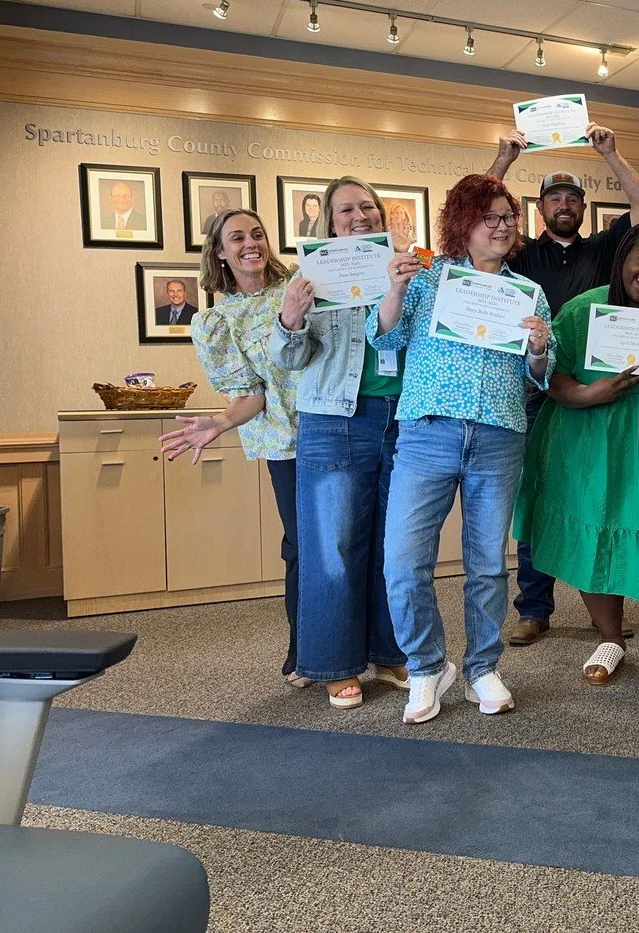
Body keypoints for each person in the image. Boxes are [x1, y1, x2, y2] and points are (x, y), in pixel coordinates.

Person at [368, 173, 554, 724]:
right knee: (403, 562)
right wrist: (395, 289)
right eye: (489, 217)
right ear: (463, 223)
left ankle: (482, 669)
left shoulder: (528, 292)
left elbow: (539, 375)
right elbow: (384, 337)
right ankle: (426, 666)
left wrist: (539, 347)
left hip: (498, 436)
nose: (502, 226)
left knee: (487, 566)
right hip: (427, 433)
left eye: (508, 217)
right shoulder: (429, 277)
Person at [514, 222, 639, 698]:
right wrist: (591, 393)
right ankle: (610, 639)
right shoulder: (583, 310)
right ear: (623, 258)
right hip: (593, 441)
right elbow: (552, 378)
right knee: (596, 534)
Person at [485, 123, 639, 647]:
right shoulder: (520, 252)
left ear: (584, 207)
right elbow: (474, 215)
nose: (564, 204)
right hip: (532, 387)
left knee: (599, 496)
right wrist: (504, 160)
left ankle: (603, 609)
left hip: (599, 391)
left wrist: (611, 153)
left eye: (572, 197)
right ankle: (534, 608)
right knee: (537, 495)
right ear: (539, 208)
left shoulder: (606, 249)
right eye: (554, 197)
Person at [268, 176, 409, 710]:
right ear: (329, 221)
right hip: (333, 419)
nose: (359, 216)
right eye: (346, 209)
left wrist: (402, 283)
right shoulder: (309, 275)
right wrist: (291, 317)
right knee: (333, 548)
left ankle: (389, 650)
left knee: (394, 545)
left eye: (368, 207)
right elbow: (289, 359)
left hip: (402, 420)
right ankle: (335, 663)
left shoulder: (405, 267)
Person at [160, 208, 302, 685]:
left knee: (350, 544)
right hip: (285, 445)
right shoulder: (219, 321)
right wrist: (219, 423)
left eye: (257, 234)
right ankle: (305, 649)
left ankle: (366, 647)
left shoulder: (301, 285)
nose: (250, 243)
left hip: (340, 431)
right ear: (220, 252)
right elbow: (252, 396)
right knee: (302, 547)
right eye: (237, 238)